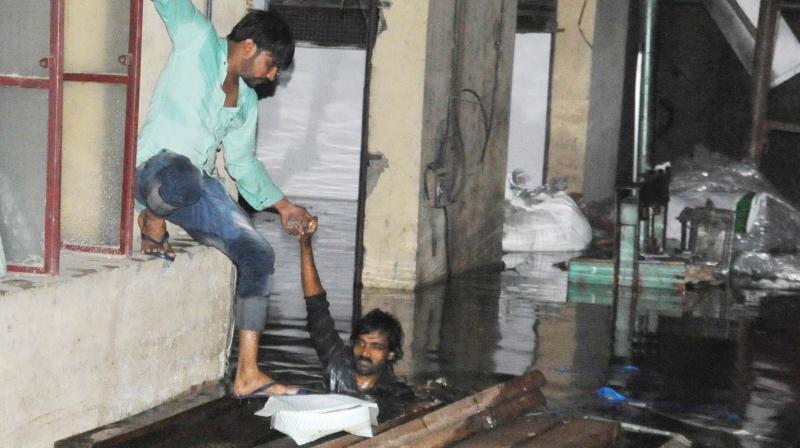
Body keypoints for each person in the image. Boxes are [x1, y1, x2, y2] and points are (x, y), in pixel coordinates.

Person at [135, 0, 310, 398]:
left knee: (258, 254)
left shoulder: (245, 102)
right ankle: (150, 217)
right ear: (248, 45)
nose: (273, 74)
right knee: (183, 177)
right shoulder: (197, 39)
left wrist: (284, 206)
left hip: (194, 184)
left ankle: (247, 372)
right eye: (271, 63)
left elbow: (243, 164)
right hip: (153, 171)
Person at [296, 218, 416, 420]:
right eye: (360, 343)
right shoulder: (337, 364)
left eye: (376, 347)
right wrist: (305, 244)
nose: (365, 352)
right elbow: (316, 307)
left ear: (391, 354)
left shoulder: (398, 394)